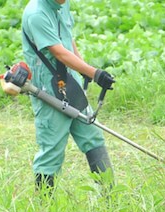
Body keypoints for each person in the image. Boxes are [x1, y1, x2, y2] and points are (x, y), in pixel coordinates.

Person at [21, 0, 116, 193]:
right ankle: (45, 208)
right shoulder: (36, 13)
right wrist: (94, 73)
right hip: (48, 89)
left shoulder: (62, 4)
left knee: (93, 137)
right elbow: (58, 52)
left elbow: (67, 39)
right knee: (52, 150)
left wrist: (82, 67)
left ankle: (111, 198)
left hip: (70, 82)